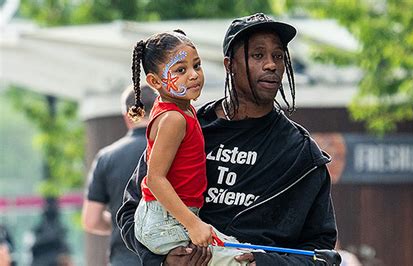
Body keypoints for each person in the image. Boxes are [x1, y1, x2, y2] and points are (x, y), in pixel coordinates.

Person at [117, 13, 337, 266]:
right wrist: (163, 261)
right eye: (257, 55)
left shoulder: (301, 154)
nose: (271, 65)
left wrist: (265, 263)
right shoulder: (187, 125)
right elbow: (133, 209)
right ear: (229, 65)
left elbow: (320, 251)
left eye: (278, 56)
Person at [127, 29, 251, 265]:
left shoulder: (182, 108)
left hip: (172, 218)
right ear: (154, 81)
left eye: (197, 65)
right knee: (241, 260)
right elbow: (154, 179)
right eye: (180, 70)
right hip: (163, 222)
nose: (194, 75)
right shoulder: (174, 119)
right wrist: (193, 224)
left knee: (240, 250)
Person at [82, 85, 157, 265]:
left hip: (123, 260)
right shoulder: (175, 151)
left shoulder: (106, 158)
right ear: (157, 110)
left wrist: (122, 223)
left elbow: (91, 220)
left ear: (127, 116)